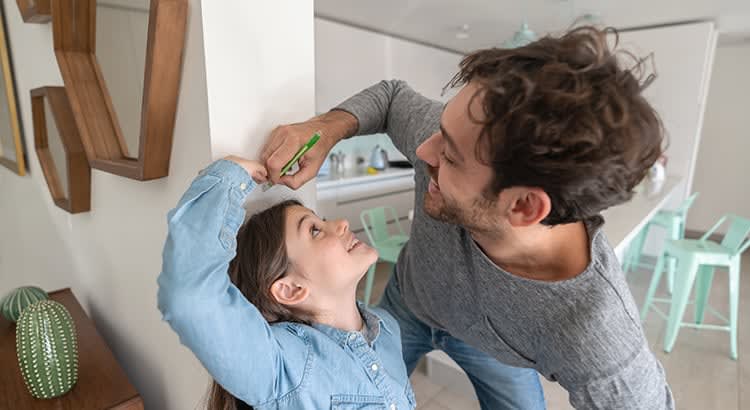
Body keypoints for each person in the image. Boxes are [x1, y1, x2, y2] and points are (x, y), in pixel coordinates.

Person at [261, 26, 674, 409]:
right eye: (440, 133)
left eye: (451, 157)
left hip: (492, 350)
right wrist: (324, 128)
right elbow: (390, 98)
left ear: (525, 207)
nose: (424, 154)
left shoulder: (594, 334)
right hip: (408, 303)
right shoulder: (446, 142)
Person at [157, 156, 417, 410]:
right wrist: (229, 176)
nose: (342, 223)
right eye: (314, 230)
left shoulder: (388, 330)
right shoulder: (287, 366)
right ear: (290, 289)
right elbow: (189, 298)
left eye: (322, 222)